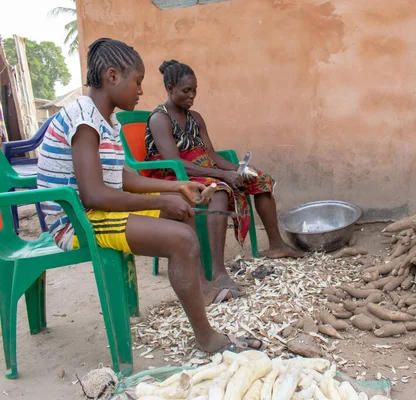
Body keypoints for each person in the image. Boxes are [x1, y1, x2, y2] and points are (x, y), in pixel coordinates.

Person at [36, 38, 261, 353]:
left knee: (183, 212)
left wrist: (176, 188)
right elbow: (95, 196)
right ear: (112, 77)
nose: (141, 91)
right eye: (137, 82)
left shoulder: (104, 119)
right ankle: (206, 338)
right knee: (182, 240)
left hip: (92, 211)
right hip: (75, 221)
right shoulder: (85, 121)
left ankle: (204, 287)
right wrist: (159, 200)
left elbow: (122, 177)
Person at [145, 60, 303, 303]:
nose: (192, 96)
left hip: (203, 169)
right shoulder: (159, 119)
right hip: (175, 176)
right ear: (169, 88)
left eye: (195, 90)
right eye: (186, 91)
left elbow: (212, 155)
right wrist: (223, 176)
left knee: (260, 180)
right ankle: (218, 272)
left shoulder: (195, 117)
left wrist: (241, 170)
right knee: (219, 191)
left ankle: (276, 245)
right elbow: (175, 163)